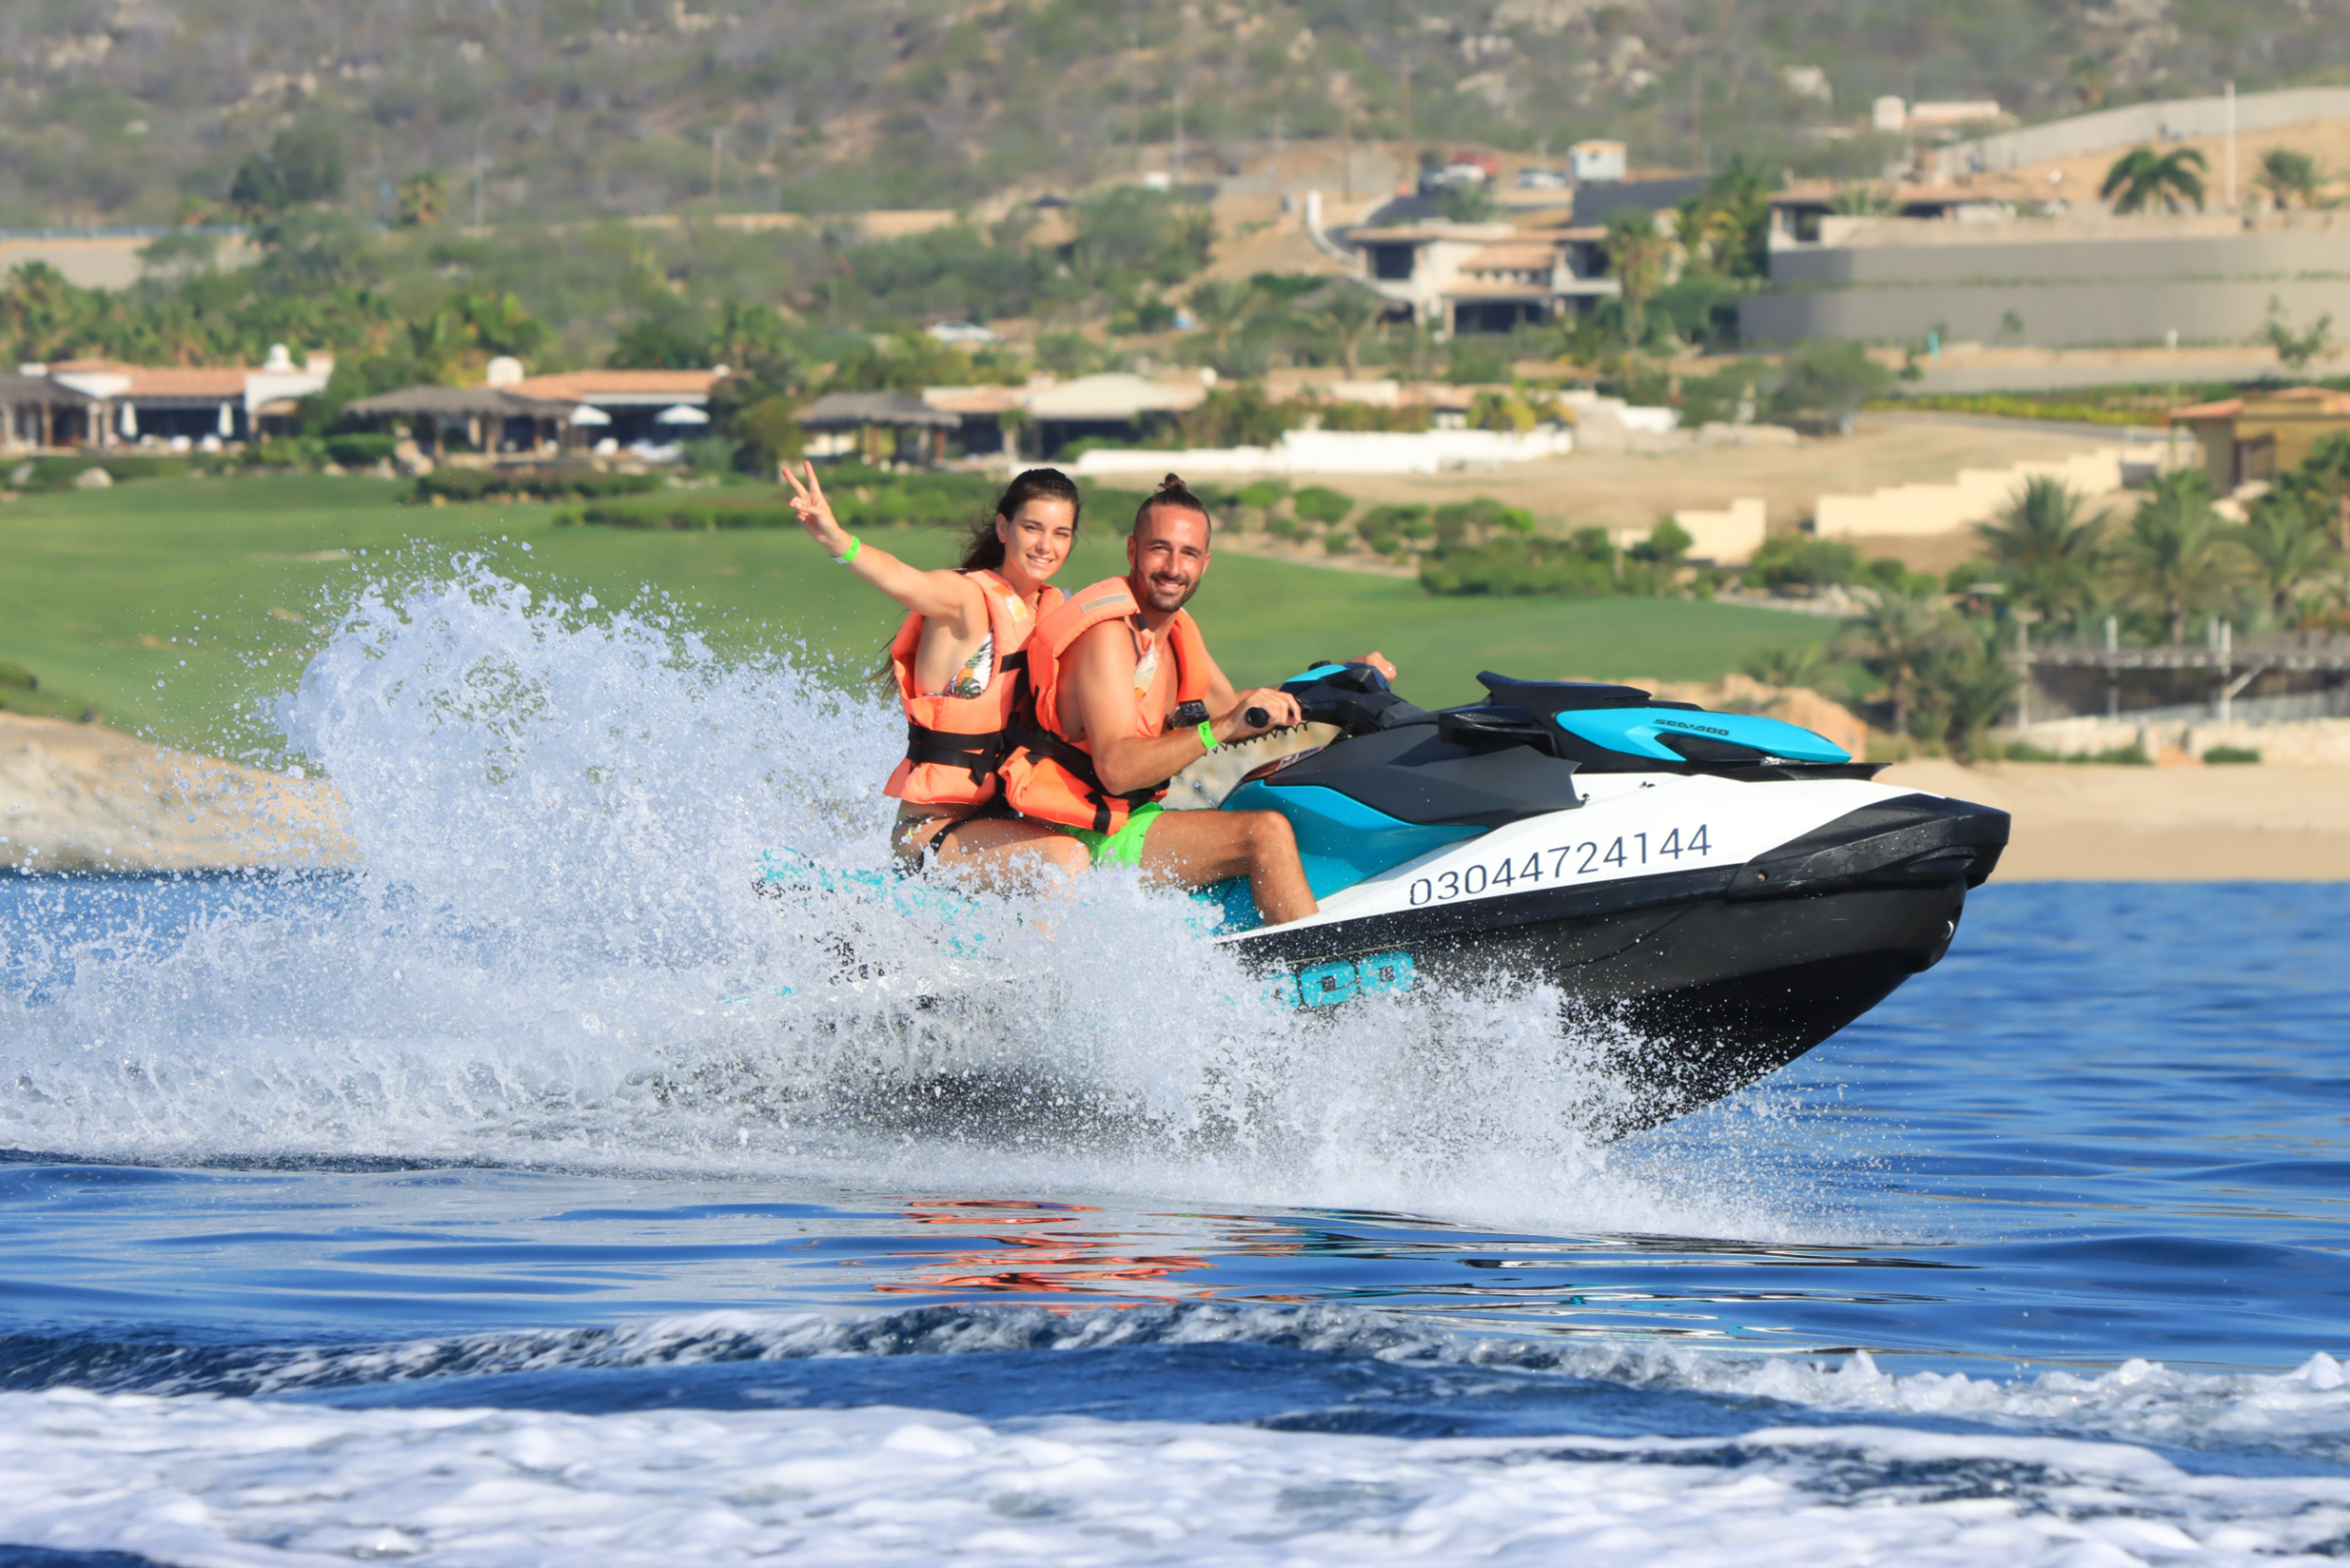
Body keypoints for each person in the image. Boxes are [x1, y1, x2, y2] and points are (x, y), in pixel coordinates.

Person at [999, 474, 1394, 927]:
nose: (1173, 567)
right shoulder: (1109, 636)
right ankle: (1324, 977)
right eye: (1159, 549)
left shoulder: (1173, 633)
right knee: (1264, 833)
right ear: (1132, 552)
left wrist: (1345, 677)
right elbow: (1117, 767)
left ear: (1205, 564)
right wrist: (1219, 729)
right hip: (1086, 832)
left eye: (1188, 554)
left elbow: (1239, 703)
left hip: (1132, 818)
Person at [783, 461, 1094, 888]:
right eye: (1033, 528)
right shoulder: (965, 597)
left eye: (1061, 534)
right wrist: (837, 539)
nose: (1046, 545)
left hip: (999, 824)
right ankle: (1046, 960)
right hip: (930, 834)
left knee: (1099, 848)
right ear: (1004, 529)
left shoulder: (1050, 611)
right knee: (1066, 860)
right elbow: (902, 579)